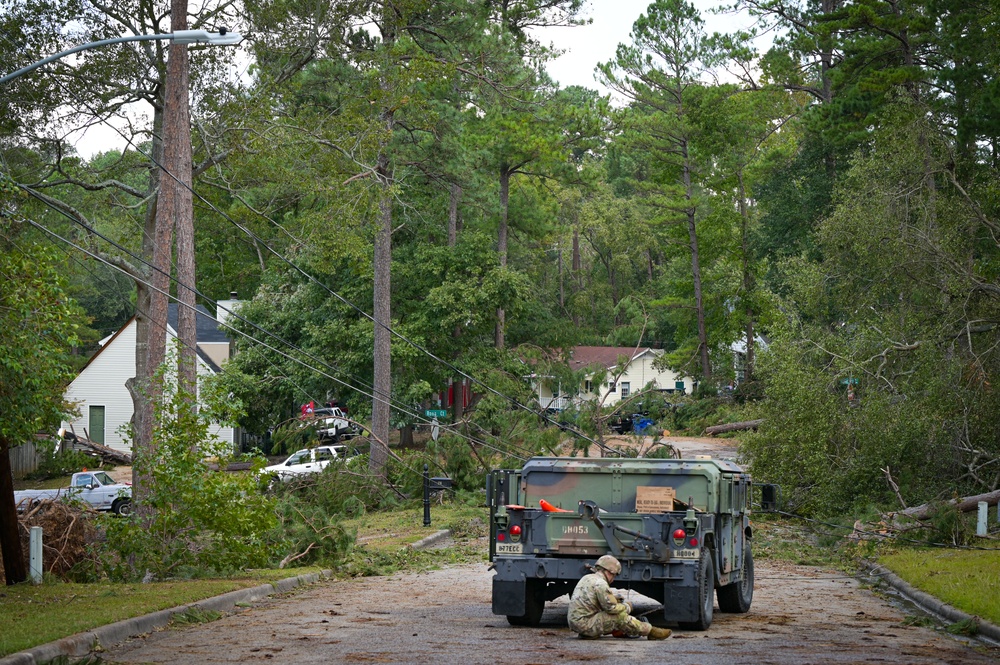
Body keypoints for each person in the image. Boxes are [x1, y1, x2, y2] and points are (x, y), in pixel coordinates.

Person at [567, 554, 672, 640]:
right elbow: (611, 609)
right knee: (619, 616)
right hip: (585, 624)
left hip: (576, 623)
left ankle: (588, 633)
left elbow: (592, 600)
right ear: (609, 572)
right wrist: (627, 607)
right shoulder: (601, 583)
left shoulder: (587, 578)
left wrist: (614, 599)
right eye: (614, 575)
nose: (614, 579)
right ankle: (650, 631)